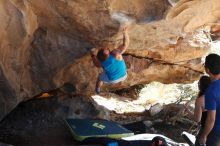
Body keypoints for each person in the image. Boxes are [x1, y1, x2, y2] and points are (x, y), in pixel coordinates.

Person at [90, 27, 129, 94]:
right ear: (108, 53)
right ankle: (98, 89)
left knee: (100, 78)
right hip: (124, 75)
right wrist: (125, 33)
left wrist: (93, 55)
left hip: (114, 79)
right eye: (106, 50)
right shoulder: (116, 54)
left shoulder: (102, 63)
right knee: (103, 75)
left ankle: (97, 89)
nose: (106, 48)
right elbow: (125, 44)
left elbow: (96, 63)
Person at [199, 53, 220, 146]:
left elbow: (211, 119)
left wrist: (204, 135)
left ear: (207, 70)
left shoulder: (210, 91)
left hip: (216, 132)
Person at [194, 75, 211, 146]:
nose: (198, 84)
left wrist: (204, 135)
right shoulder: (216, 95)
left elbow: (197, 119)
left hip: (205, 129)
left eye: (199, 83)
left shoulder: (200, 100)